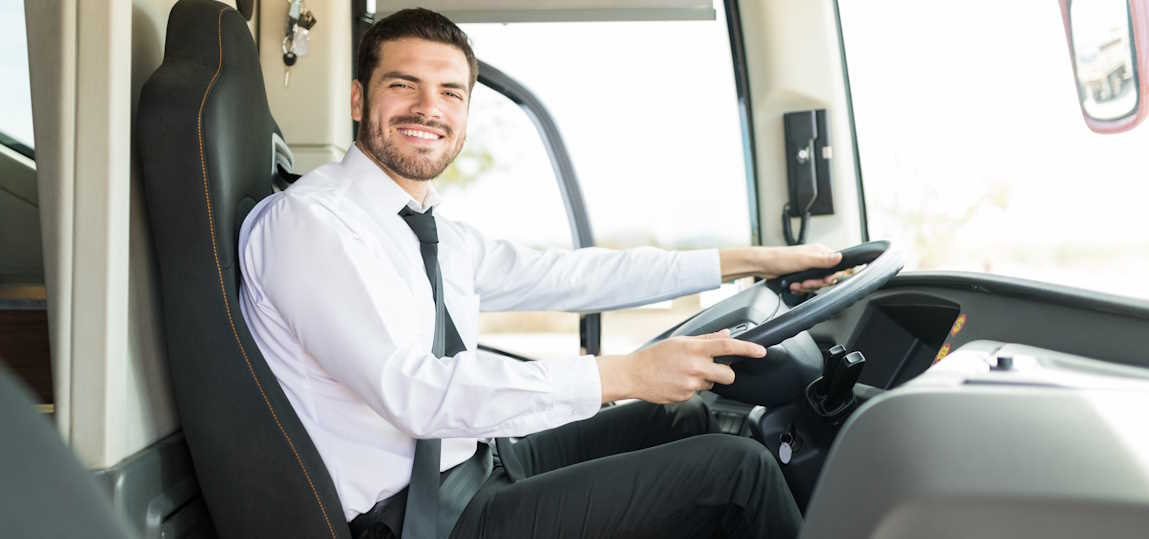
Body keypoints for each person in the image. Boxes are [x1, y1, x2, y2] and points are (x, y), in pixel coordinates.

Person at [238, 8, 842, 539]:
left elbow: (578, 275)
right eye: (404, 85)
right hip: (419, 517)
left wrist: (754, 262)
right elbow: (417, 393)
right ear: (357, 99)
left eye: (451, 93)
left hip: (479, 465)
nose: (429, 108)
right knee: (738, 473)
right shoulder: (310, 224)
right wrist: (627, 373)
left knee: (685, 417)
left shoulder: (430, 230)